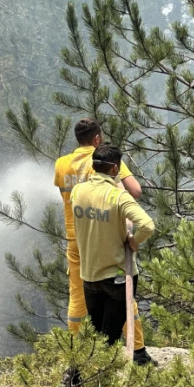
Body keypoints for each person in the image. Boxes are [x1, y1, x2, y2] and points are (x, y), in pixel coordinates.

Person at [54, 118, 154, 366]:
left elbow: (65, 195)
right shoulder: (105, 161)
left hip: (77, 237)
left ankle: (77, 356)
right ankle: (137, 351)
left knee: (78, 298)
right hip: (105, 237)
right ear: (97, 139)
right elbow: (134, 190)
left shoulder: (62, 164)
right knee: (123, 291)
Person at [70, 144, 155, 350]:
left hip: (89, 276)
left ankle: (78, 375)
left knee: (95, 330)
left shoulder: (77, 191)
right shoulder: (117, 196)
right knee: (110, 337)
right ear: (115, 170)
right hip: (117, 277)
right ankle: (85, 376)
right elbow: (147, 225)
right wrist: (133, 241)